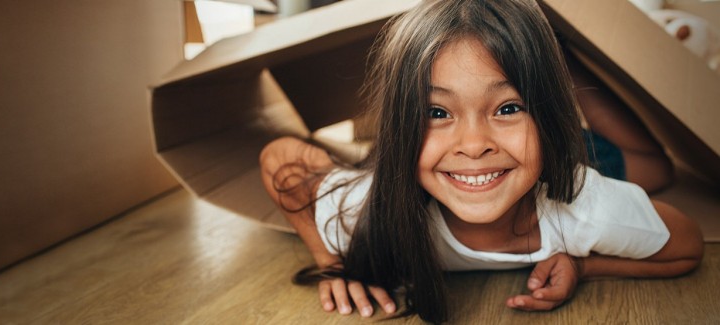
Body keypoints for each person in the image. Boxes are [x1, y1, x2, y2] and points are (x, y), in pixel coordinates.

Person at [259, 0, 704, 323]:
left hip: (565, 153)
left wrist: (585, 266)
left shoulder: (588, 205)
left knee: (655, 169)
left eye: (508, 106)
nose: (474, 145)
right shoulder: (368, 210)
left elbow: (687, 245)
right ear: (398, 130)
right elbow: (279, 158)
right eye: (436, 112)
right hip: (509, 155)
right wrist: (335, 260)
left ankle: (561, 59)